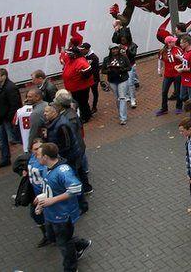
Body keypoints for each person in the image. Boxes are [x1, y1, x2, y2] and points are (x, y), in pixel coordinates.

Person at [35, 142, 91, 272]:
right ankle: (80, 244)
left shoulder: (63, 171)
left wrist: (53, 200)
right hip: (50, 214)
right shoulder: (46, 169)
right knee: (53, 237)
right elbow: (49, 190)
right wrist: (41, 204)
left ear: (45, 157)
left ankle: (71, 268)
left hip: (62, 216)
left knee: (64, 244)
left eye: (38, 154)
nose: (36, 157)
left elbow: (76, 188)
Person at [0, 68, 21, 168]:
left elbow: (14, 105)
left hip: (7, 119)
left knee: (15, 139)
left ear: (4, 76)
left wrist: (8, 118)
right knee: (2, 139)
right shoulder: (0, 87)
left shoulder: (10, 88)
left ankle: (27, 154)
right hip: (2, 119)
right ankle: (5, 158)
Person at [100, 43, 132, 125]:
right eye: (113, 49)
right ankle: (121, 112)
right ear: (110, 50)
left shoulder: (123, 57)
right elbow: (103, 70)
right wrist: (109, 70)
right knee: (118, 98)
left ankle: (123, 118)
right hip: (112, 81)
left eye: (116, 49)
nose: (115, 50)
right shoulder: (106, 59)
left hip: (123, 79)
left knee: (122, 98)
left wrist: (121, 69)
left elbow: (129, 67)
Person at [157, 36, 184, 116]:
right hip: (168, 74)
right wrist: (159, 70)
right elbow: (160, 61)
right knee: (164, 91)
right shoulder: (162, 51)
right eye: (173, 41)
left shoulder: (178, 49)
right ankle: (164, 108)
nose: (175, 42)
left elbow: (185, 59)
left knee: (178, 90)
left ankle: (179, 107)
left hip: (177, 74)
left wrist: (180, 58)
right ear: (168, 43)